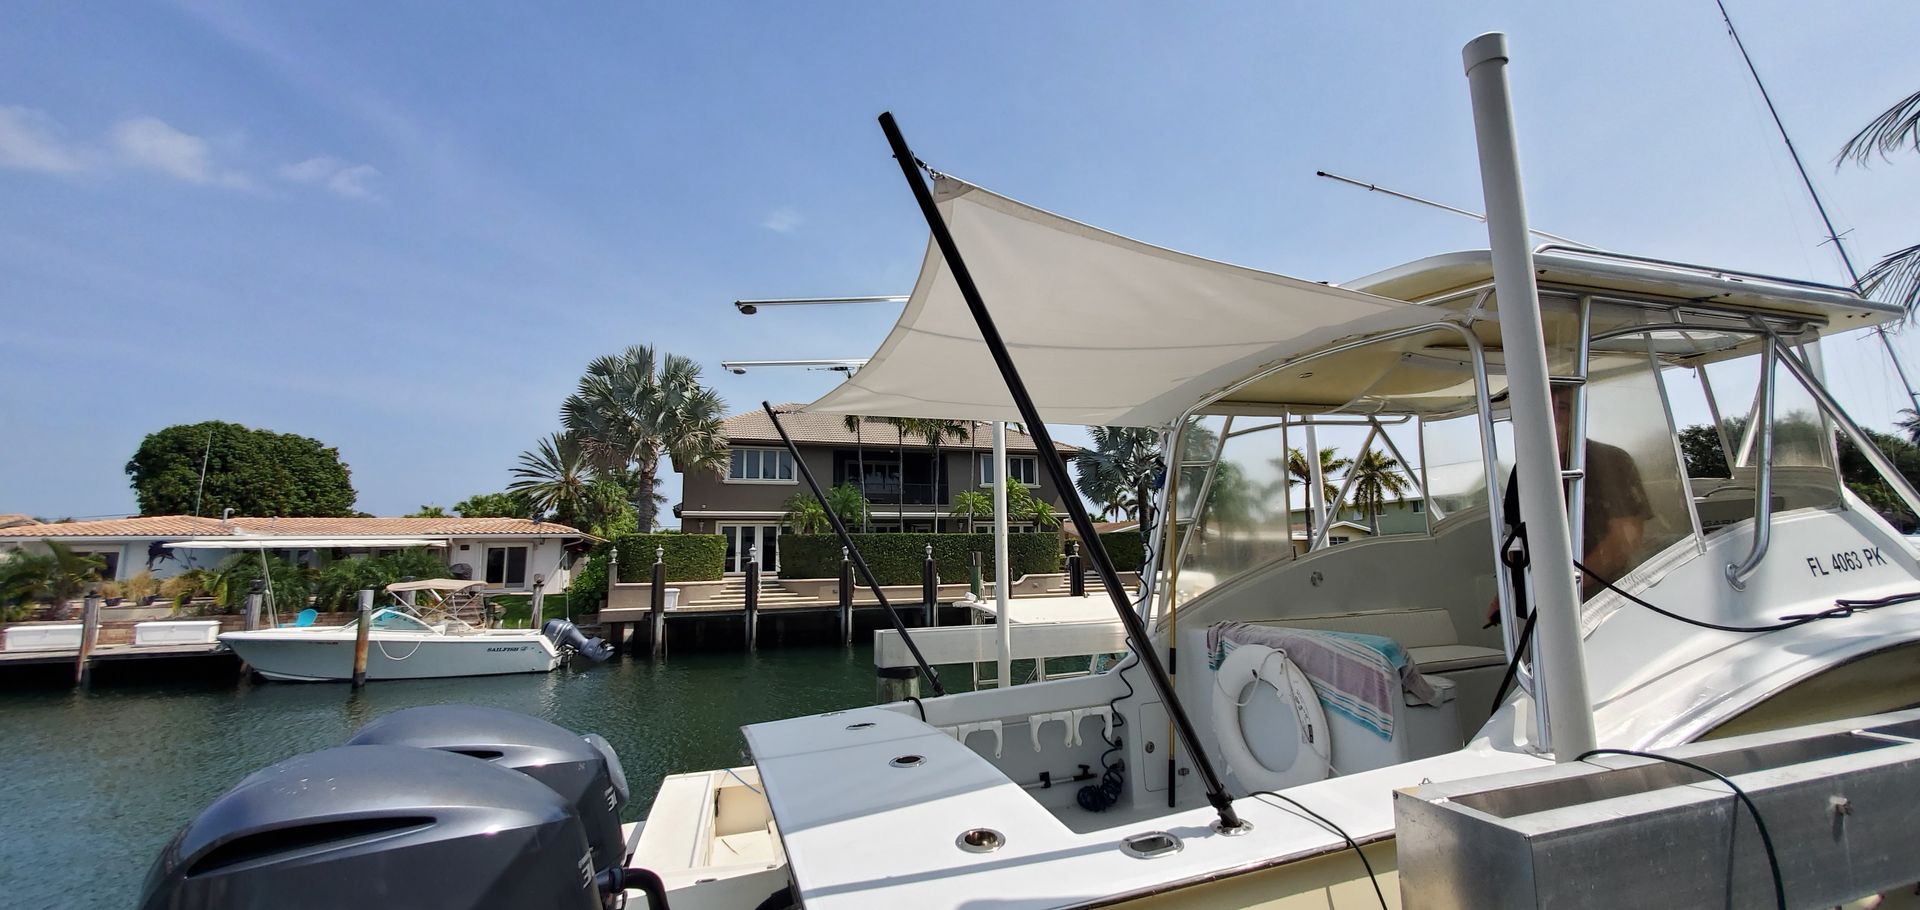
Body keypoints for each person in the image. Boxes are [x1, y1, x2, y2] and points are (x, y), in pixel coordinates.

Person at [1489, 385, 1653, 624]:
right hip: (1543, 606)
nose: (1552, 416)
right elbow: (1518, 542)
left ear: (1578, 414)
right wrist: (1506, 594)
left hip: (1606, 603)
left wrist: (1565, 588)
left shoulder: (1612, 461)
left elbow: (1624, 540)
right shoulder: (1523, 470)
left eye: (1562, 408)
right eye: (1544, 409)